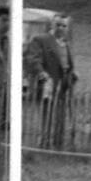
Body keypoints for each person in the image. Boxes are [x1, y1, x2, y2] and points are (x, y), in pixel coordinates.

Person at [25, 14, 77, 148]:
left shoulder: (66, 43)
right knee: (45, 114)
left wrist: (72, 73)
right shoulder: (41, 39)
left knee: (60, 114)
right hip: (47, 83)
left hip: (64, 85)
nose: (61, 28)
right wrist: (42, 74)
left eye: (64, 25)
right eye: (58, 25)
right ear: (52, 25)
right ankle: (43, 143)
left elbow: (67, 64)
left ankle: (57, 142)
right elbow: (33, 59)